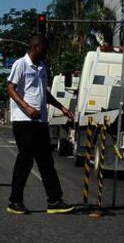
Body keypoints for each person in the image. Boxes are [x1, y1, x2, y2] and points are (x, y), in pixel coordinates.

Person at [5, 35, 76, 215]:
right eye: (44, 49)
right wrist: (27, 108)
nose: (46, 53)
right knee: (25, 160)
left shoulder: (42, 67)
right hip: (24, 121)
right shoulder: (20, 64)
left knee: (46, 162)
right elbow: (10, 89)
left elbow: (44, 92)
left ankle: (54, 201)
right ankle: (15, 201)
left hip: (41, 121)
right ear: (36, 48)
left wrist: (62, 107)